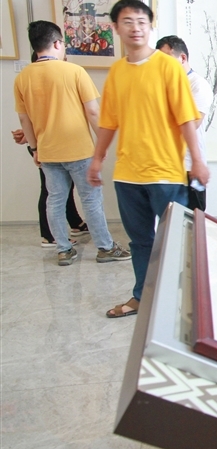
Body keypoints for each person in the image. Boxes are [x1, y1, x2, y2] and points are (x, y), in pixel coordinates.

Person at [87, 0, 209, 318]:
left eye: (142, 22)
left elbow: (186, 118)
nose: (136, 28)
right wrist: (98, 159)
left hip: (166, 173)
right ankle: (142, 296)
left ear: (150, 26)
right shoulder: (117, 72)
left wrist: (197, 160)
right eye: (127, 22)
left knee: (178, 241)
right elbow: (108, 122)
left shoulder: (168, 67)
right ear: (116, 28)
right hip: (127, 174)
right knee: (140, 242)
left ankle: (188, 302)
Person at [14, 21, 130, 267]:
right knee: (91, 200)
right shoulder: (75, 72)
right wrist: (102, 145)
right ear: (57, 43)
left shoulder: (22, 78)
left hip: (47, 151)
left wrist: (35, 149)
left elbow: (25, 120)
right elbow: (93, 113)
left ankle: (64, 250)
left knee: (55, 200)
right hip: (79, 150)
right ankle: (105, 247)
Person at [155, 35, 213, 211]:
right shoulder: (163, 85)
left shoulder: (198, 85)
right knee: (169, 217)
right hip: (167, 165)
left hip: (190, 165)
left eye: (166, 59)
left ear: (182, 58)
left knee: (194, 217)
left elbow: (193, 123)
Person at [11, 127, 86, 247]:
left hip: (53, 141)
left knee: (64, 185)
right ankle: (50, 235)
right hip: (46, 144)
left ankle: (75, 222)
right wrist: (30, 133)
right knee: (52, 190)